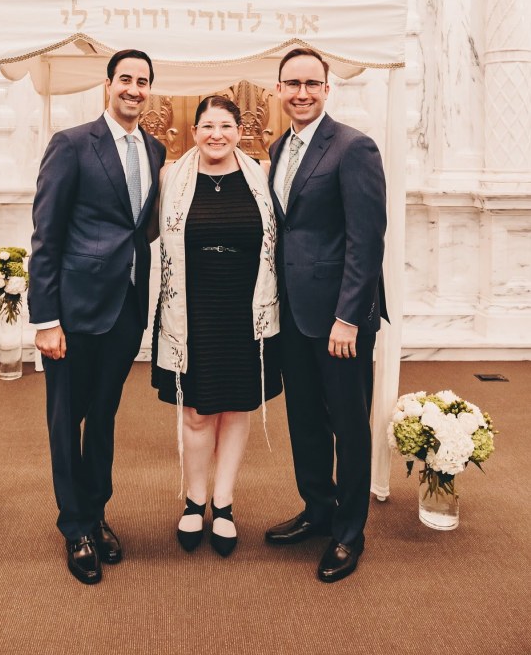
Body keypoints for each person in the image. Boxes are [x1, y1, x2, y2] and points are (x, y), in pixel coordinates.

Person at [28, 49, 166, 585]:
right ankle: (75, 527)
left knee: (104, 417)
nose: (134, 88)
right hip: (75, 310)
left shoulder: (154, 148)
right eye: (125, 78)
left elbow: (141, 227)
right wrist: (46, 318)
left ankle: (97, 511)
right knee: (67, 420)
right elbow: (46, 236)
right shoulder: (70, 144)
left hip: (127, 309)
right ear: (108, 85)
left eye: (143, 81)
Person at [265, 46, 388, 583]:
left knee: (348, 425)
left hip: (340, 319)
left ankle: (348, 532)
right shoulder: (278, 147)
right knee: (305, 419)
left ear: (326, 89)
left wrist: (349, 317)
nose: (302, 93)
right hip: (293, 313)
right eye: (292, 84)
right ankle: (317, 508)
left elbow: (367, 240)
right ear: (278, 90)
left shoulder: (354, 147)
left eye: (311, 84)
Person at [153, 96, 280, 557]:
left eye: (225, 126)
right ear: (194, 132)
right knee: (197, 411)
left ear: (239, 131)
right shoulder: (171, 176)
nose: (216, 134)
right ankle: (194, 500)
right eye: (207, 126)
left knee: (236, 407)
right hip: (192, 309)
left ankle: (223, 504)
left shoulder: (261, 174)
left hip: (246, 308)